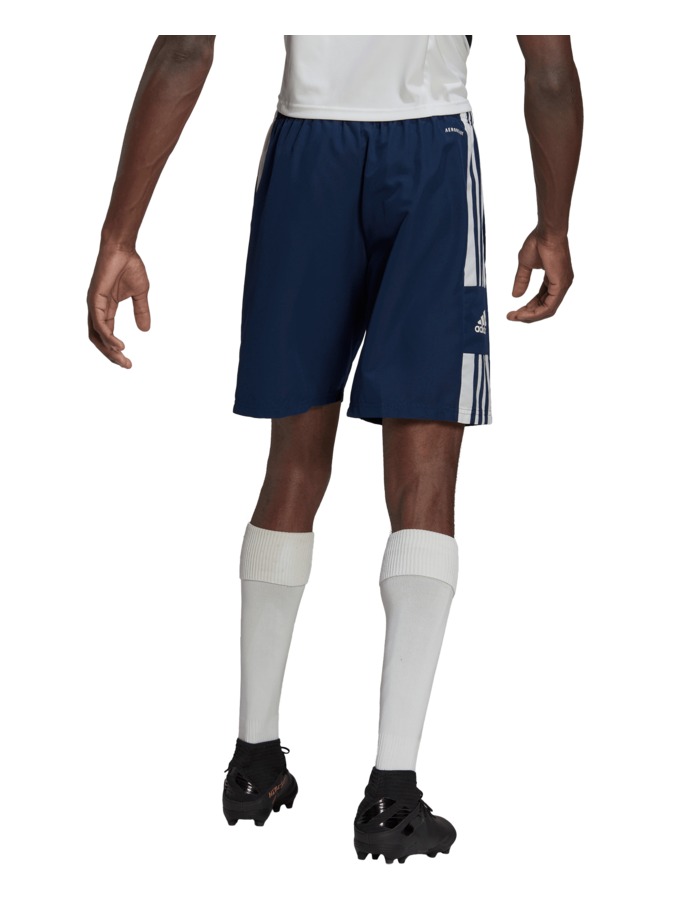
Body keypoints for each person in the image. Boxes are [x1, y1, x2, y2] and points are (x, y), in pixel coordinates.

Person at [86, 34, 583, 864]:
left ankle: (252, 762)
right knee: (424, 477)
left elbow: (183, 49)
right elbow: (552, 67)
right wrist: (554, 225)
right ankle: (391, 793)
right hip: (429, 147)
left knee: (291, 464)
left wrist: (119, 234)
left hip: (306, 152)